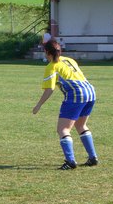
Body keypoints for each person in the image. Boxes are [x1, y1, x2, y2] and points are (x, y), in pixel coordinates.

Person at [32, 39, 98, 170]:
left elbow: (49, 89)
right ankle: (93, 157)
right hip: (90, 92)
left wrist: (38, 105)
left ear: (46, 52)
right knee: (80, 125)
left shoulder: (51, 67)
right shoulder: (69, 60)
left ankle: (70, 161)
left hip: (76, 95)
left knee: (63, 129)